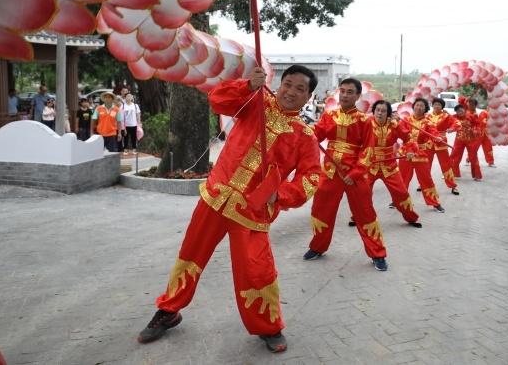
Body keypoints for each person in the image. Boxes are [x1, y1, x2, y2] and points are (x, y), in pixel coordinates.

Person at [138, 66, 322, 352]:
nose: (291, 92)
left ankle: (268, 326)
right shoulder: (255, 101)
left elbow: (311, 178)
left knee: (257, 270)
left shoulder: (305, 135)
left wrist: (281, 194)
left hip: (253, 211)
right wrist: (248, 85)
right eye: (288, 84)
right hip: (215, 196)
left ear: (309, 96)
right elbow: (217, 100)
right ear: (280, 84)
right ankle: (169, 310)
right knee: (190, 256)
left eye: (300, 89)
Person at [303, 78, 388, 271]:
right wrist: (304, 130)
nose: (345, 95)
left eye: (350, 92)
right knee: (320, 210)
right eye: (342, 91)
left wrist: (357, 173)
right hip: (330, 172)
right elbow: (316, 135)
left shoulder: (365, 121)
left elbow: (368, 151)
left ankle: (377, 253)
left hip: (354, 175)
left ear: (358, 96)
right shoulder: (329, 115)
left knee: (365, 213)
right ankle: (318, 247)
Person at [363, 100, 422, 227]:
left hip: (389, 165)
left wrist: (411, 150)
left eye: (383, 111)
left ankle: (411, 217)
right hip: (369, 164)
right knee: (362, 193)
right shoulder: (366, 124)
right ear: (373, 111)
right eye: (377, 110)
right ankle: (358, 217)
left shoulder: (395, 125)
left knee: (401, 193)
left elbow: (409, 139)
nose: (379, 113)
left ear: (388, 114)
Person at [398, 98, 447, 212]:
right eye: (417, 105)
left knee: (426, 179)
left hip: (420, 153)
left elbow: (433, 131)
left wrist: (437, 137)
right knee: (402, 178)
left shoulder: (427, 122)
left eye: (422, 106)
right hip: (407, 153)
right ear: (413, 106)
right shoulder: (405, 120)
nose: (419, 107)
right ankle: (399, 200)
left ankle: (434, 202)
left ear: (425, 109)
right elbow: (400, 132)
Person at [427, 97, 460, 194]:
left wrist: (452, 128)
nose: (437, 106)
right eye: (435, 104)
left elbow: (457, 123)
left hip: (441, 142)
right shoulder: (427, 116)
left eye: (439, 105)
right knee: (426, 165)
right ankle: (423, 183)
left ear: (442, 107)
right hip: (428, 143)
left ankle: (453, 186)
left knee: (446, 165)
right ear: (432, 105)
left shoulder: (446, 116)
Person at [450, 103, 484, 181]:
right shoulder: (454, 117)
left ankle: (477, 175)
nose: (460, 112)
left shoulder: (471, 116)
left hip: (471, 140)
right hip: (459, 139)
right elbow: (452, 125)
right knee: (454, 155)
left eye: (461, 110)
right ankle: (454, 173)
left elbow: (478, 124)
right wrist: (451, 129)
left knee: (473, 157)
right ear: (456, 112)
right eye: (458, 111)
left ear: (464, 110)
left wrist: (476, 130)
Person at [470, 98, 494, 167]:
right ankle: (469, 159)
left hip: (487, 134)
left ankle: (490, 161)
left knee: (488, 147)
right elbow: (482, 122)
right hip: (479, 133)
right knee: (475, 147)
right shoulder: (484, 113)